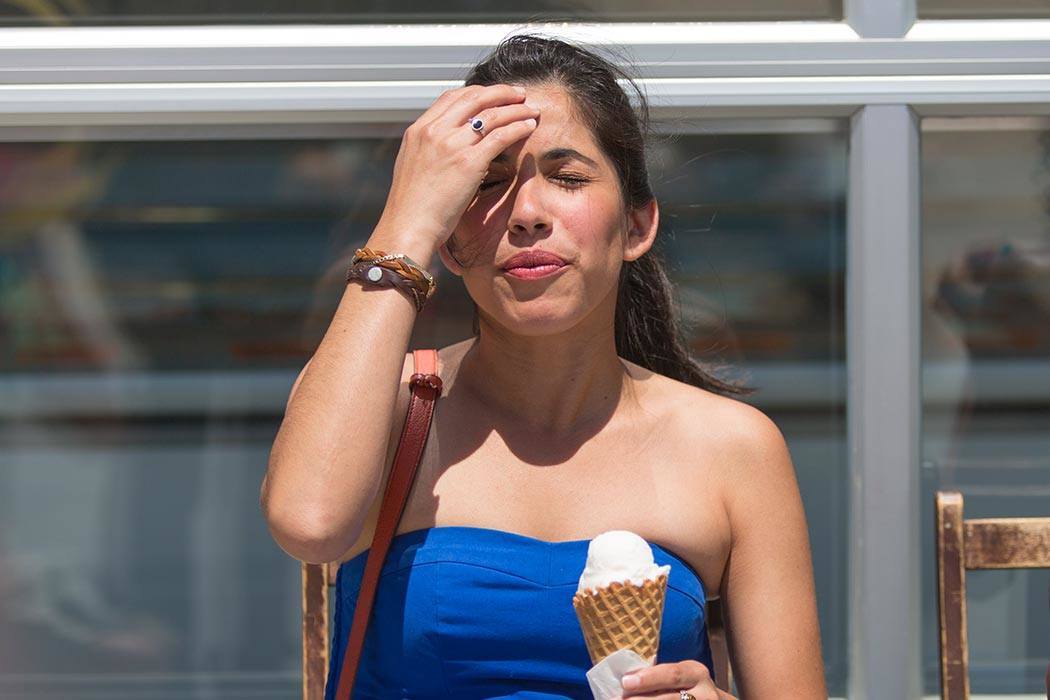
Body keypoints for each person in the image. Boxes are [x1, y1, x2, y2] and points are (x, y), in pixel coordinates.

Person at [262, 33, 826, 700]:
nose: (526, 214)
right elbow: (309, 523)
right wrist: (404, 225)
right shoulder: (387, 404)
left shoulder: (733, 447)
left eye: (567, 177)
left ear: (638, 226)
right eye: (488, 184)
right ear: (451, 239)